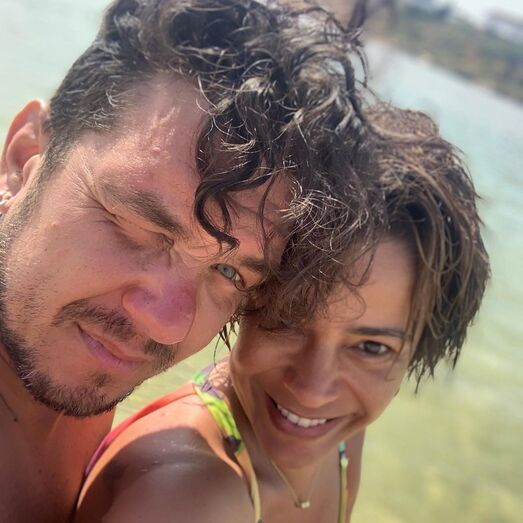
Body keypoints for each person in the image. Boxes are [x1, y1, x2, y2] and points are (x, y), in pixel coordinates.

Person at [0, 0, 380, 521]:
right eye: (138, 225)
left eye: (228, 273)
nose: (167, 322)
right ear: (23, 158)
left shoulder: (72, 346)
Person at [76, 104, 490, 522]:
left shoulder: (337, 436)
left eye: (370, 347)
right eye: (288, 321)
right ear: (244, 301)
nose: (313, 390)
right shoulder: (191, 498)